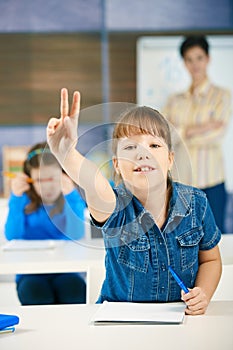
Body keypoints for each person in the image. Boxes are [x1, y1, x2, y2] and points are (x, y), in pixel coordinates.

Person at [47, 88, 222, 315]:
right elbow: (93, 182)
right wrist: (67, 155)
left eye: (154, 145)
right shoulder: (114, 205)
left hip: (180, 322)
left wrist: (203, 293)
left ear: (170, 159)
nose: (142, 153)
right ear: (117, 164)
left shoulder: (196, 203)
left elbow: (211, 260)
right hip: (120, 324)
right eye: (130, 147)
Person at [162, 35, 232, 233]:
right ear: (184, 63)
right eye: (189, 59)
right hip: (182, 183)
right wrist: (200, 127)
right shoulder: (175, 101)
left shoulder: (222, 95)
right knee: (182, 240)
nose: (195, 64)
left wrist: (180, 132)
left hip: (212, 181)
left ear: (208, 59)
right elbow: (165, 135)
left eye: (199, 58)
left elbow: (217, 134)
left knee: (214, 240)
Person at [4, 142, 87, 305]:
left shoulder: (71, 200)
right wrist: (16, 198)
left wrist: (72, 196)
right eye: (39, 180)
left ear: (64, 175)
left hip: (67, 270)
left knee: (74, 293)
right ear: (29, 179)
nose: (46, 186)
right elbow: (12, 236)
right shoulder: (24, 201)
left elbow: (77, 233)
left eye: (52, 178)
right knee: (36, 296)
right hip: (30, 272)